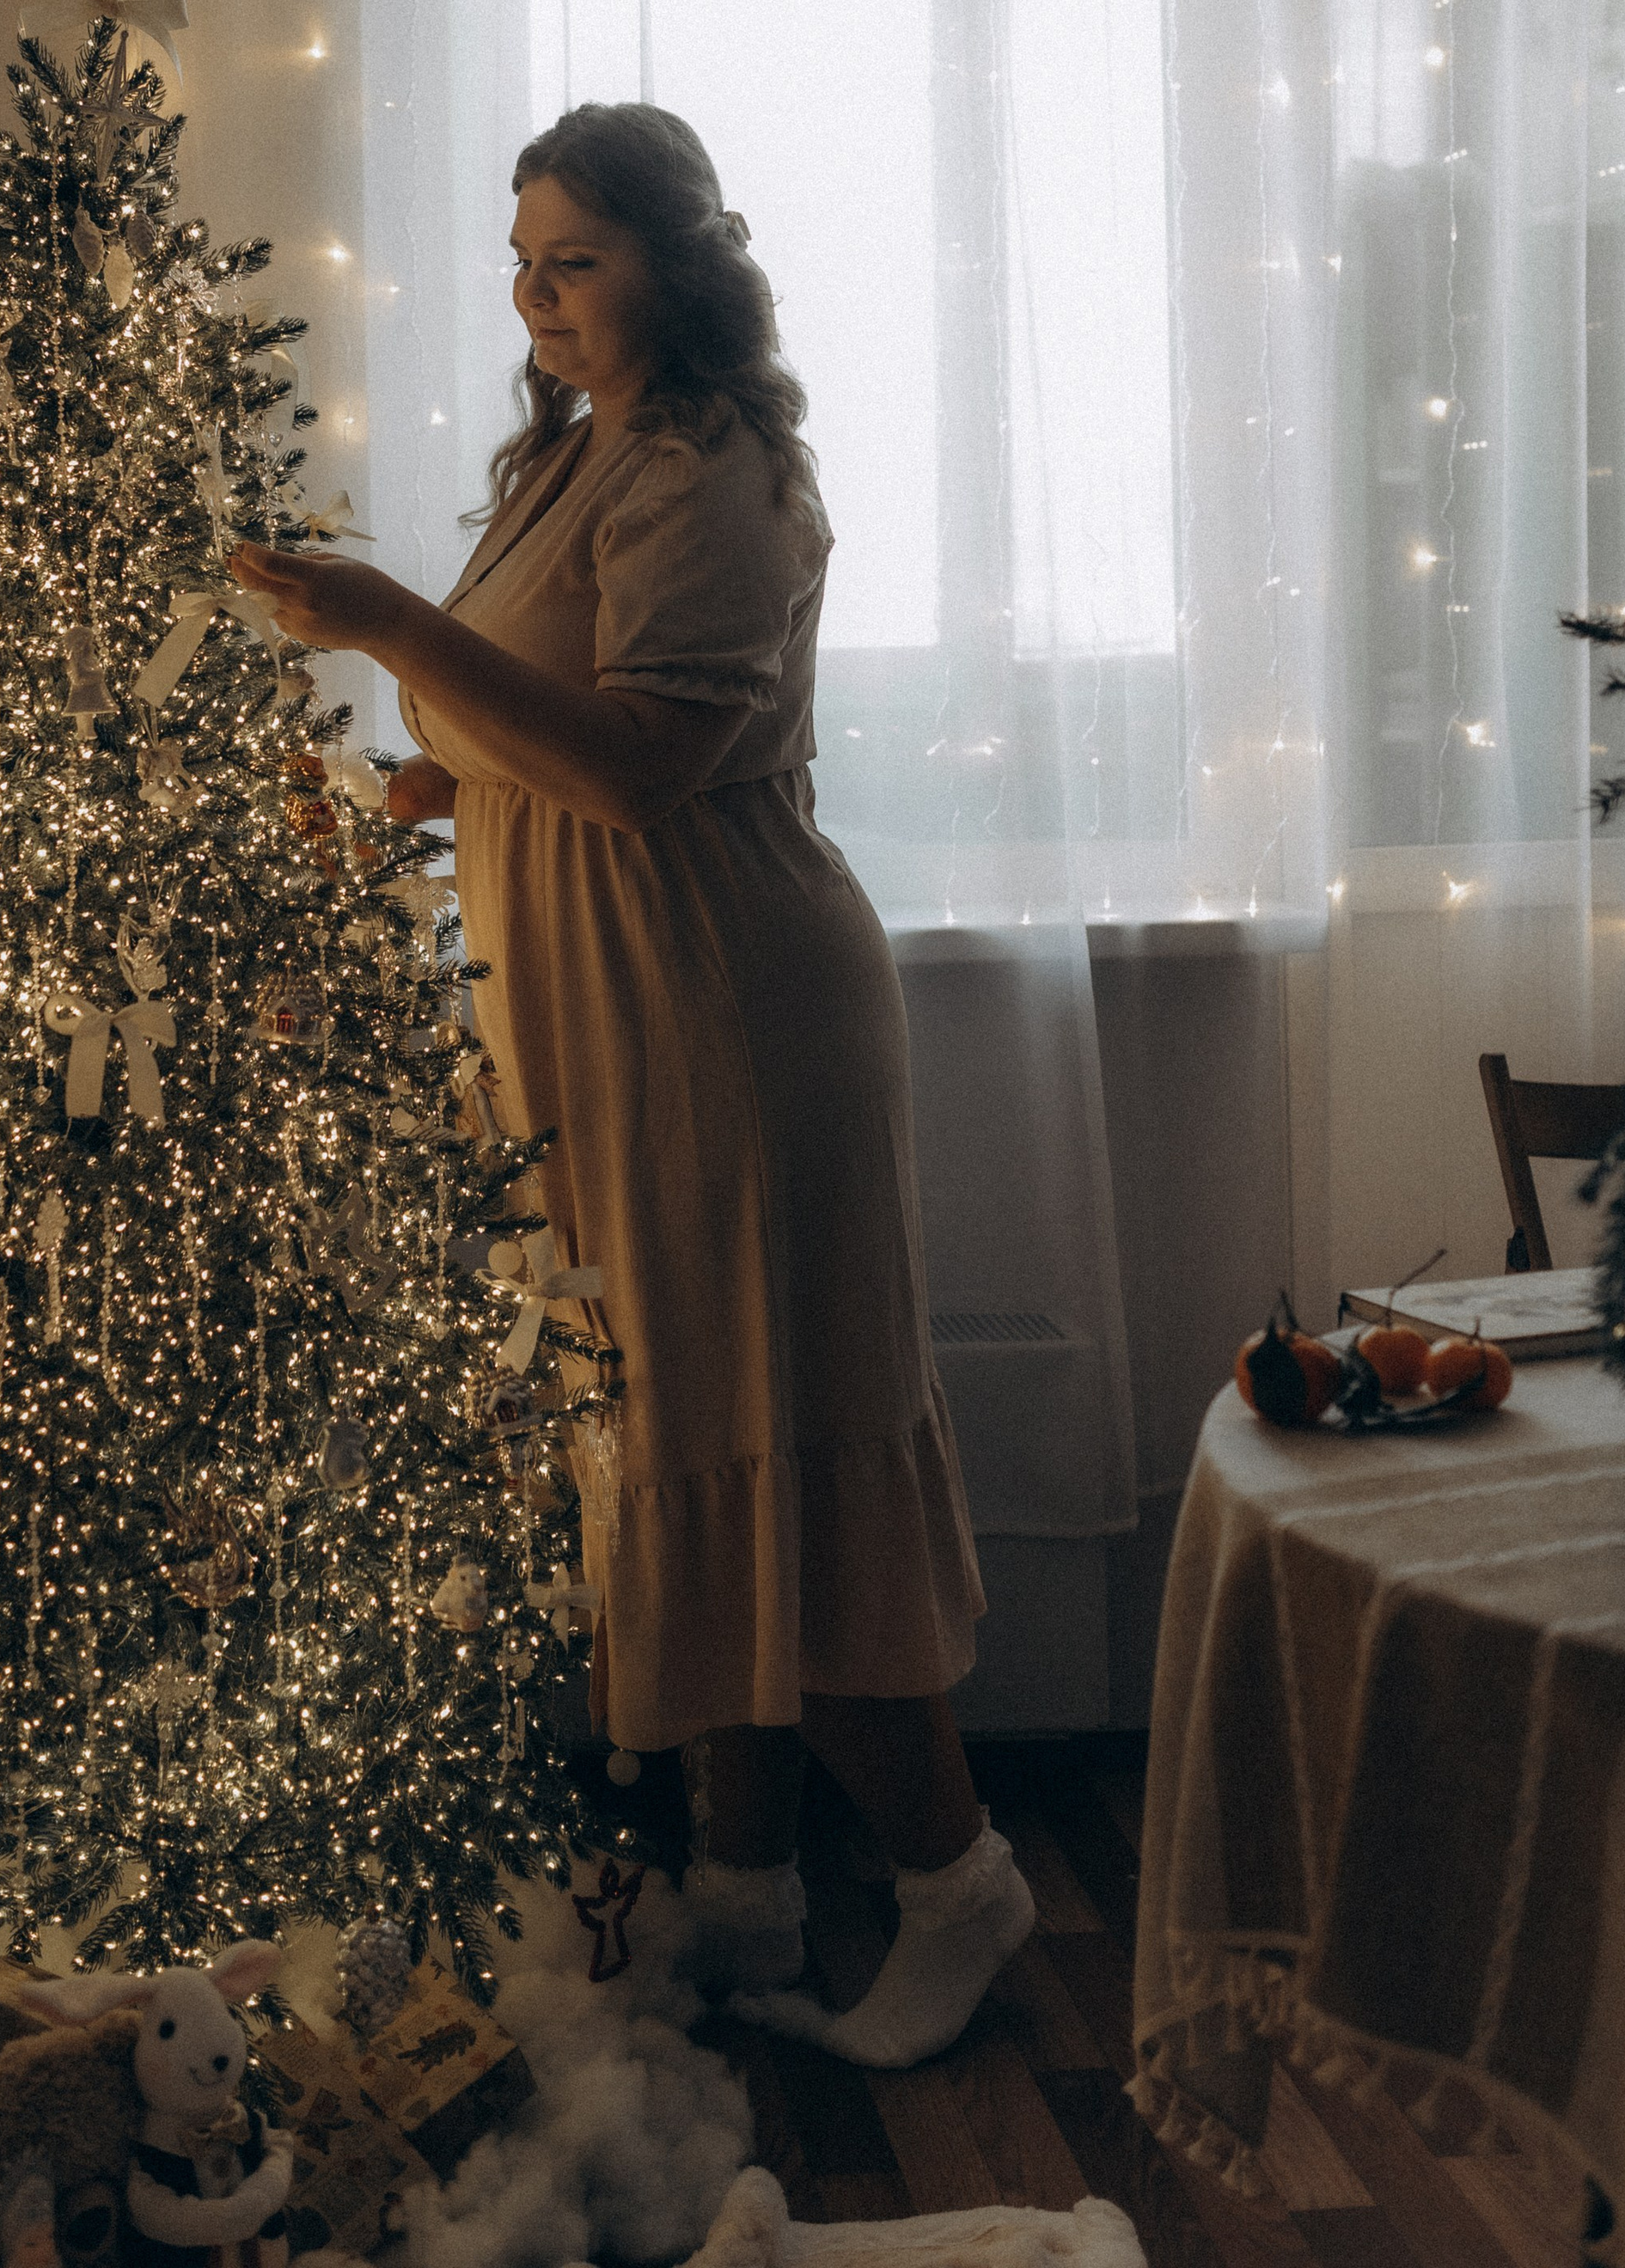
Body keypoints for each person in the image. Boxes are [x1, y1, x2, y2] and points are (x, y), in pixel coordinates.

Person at [228, 101, 1034, 2066]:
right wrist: (405, 784)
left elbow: (646, 765)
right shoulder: (571, 458)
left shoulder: (713, 468)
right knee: (665, 1443)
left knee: (766, 1440)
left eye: (572, 254)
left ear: (677, 264)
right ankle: (741, 1891)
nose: (535, 289)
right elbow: (531, 738)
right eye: (522, 255)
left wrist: (382, 620)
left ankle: (959, 1888)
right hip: (589, 1008)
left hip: (717, 1013)